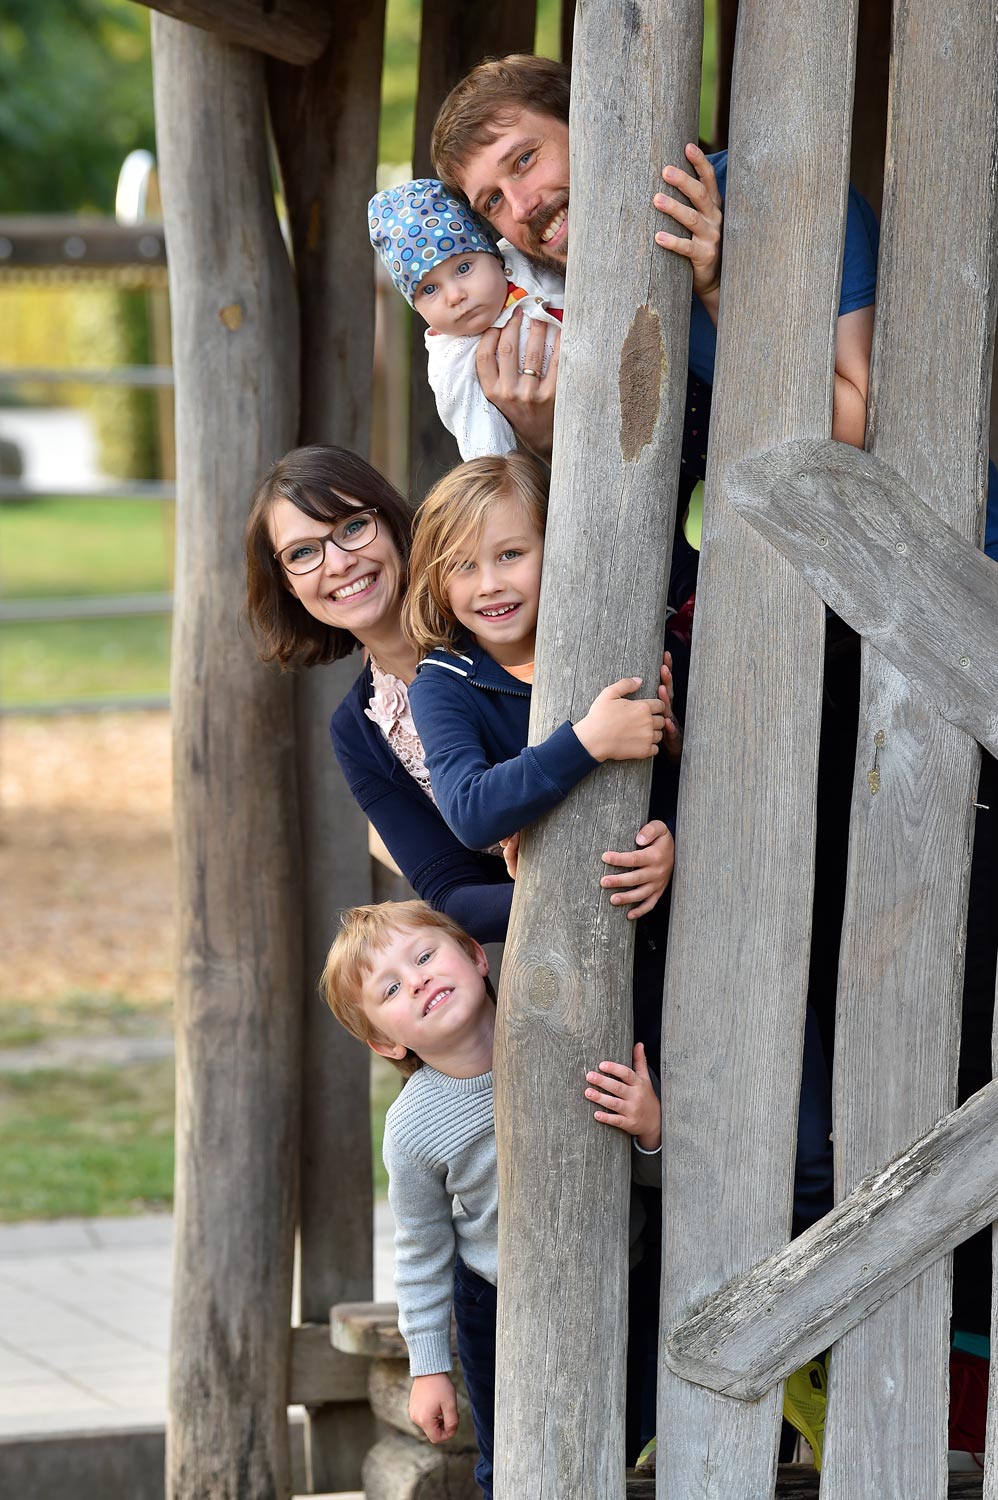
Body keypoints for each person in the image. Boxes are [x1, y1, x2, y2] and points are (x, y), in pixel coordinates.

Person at [244, 444, 677, 948]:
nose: (338, 562)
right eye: (302, 553)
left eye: (352, 527)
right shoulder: (358, 730)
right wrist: (585, 881)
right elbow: (453, 897)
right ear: (288, 587)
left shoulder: (518, 616)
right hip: (570, 952)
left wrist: (667, 830)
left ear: (395, 524)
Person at [321, 898, 663, 1499]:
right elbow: (421, 1251)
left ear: (478, 957)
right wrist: (428, 1367)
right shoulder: (414, 1127)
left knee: (641, 1446)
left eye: (425, 955)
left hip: (627, 1274)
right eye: (392, 987)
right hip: (498, 1302)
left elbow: (655, 1183)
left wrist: (651, 1131)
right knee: (511, 1457)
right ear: (384, 1041)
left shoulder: (571, 1042)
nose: (419, 978)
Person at [369, 178, 564, 460]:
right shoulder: (454, 362)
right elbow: (487, 449)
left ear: (494, 256)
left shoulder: (526, 259)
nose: (455, 296)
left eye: (463, 268)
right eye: (430, 289)